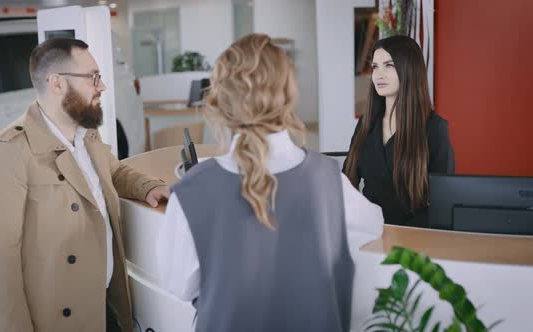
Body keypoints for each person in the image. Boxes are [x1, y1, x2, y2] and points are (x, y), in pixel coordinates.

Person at [157, 33, 383, 332]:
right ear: (288, 96)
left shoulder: (191, 190)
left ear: (220, 100)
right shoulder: (329, 179)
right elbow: (372, 226)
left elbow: (179, 284)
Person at [0, 38, 170, 332]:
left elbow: (113, 172)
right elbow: (0, 272)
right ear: (57, 84)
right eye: (93, 77)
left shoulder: (85, 135)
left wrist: (147, 186)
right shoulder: (7, 153)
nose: (101, 86)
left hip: (105, 306)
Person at [344, 35, 455, 227]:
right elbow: (347, 182)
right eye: (375, 67)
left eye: (389, 65)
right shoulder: (366, 124)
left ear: (409, 69)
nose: (378, 75)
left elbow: (443, 201)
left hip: (415, 238)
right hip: (368, 231)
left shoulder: (434, 128)